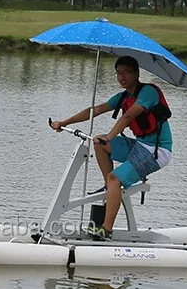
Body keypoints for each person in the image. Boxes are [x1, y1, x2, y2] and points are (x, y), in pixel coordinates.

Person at [50, 55, 172, 239]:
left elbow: (128, 117)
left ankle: (106, 230)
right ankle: (109, 186)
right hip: (139, 146)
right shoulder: (123, 96)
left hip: (156, 151)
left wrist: (110, 136)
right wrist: (64, 122)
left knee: (115, 176)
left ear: (137, 73)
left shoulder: (148, 92)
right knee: (99, 143)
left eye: (127, 73)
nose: (122, 77)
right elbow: (95, 110)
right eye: (119, 73)